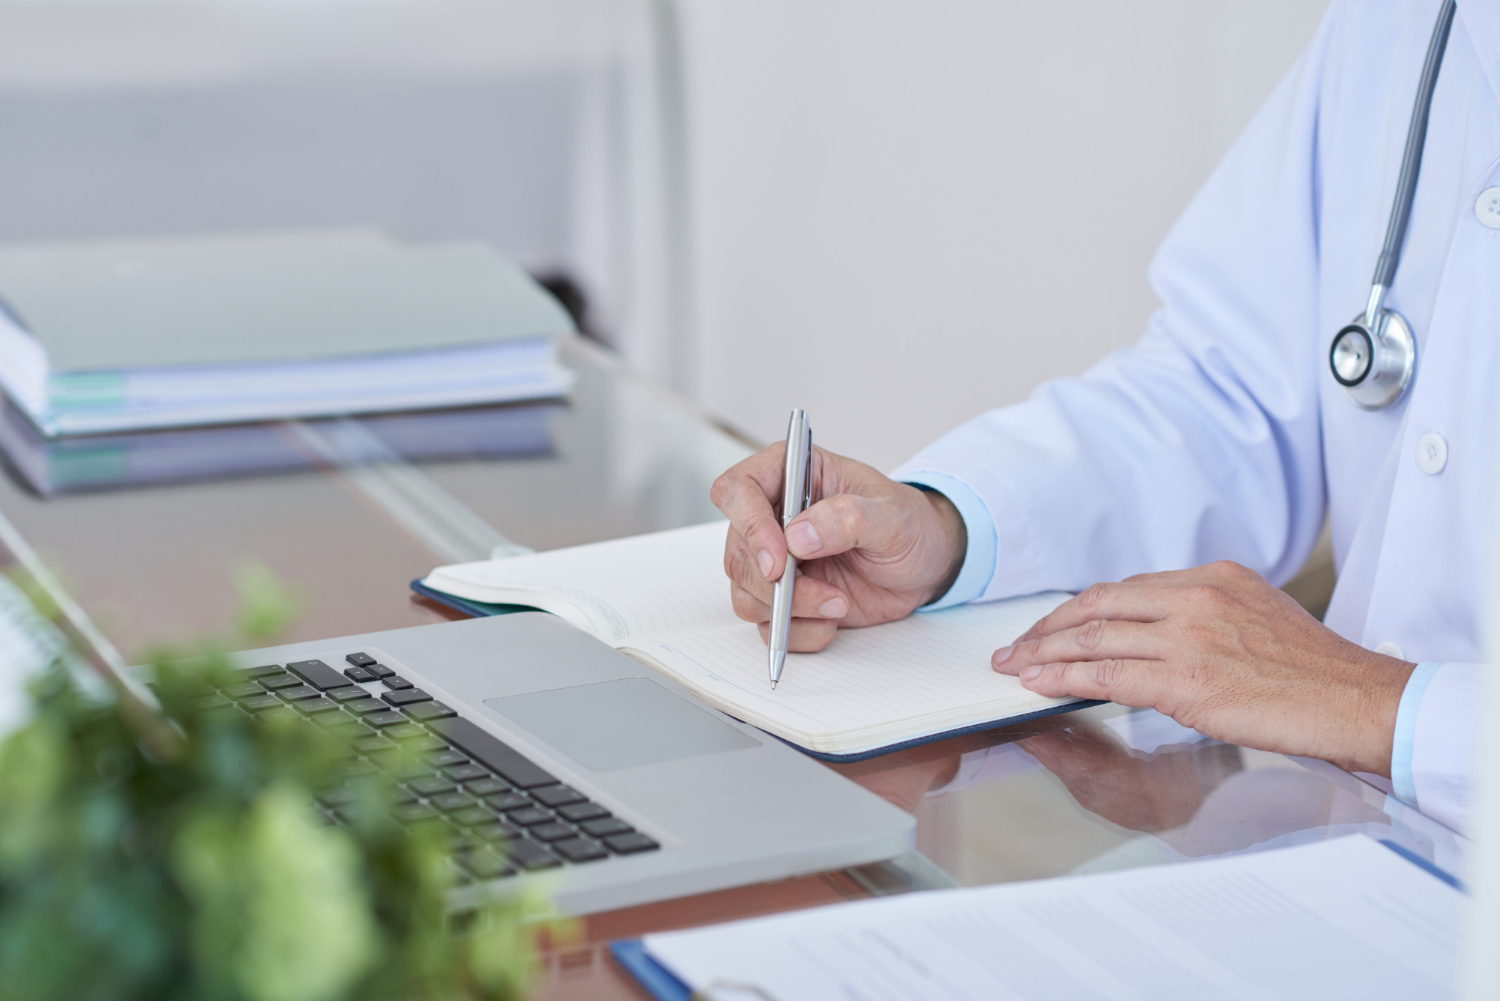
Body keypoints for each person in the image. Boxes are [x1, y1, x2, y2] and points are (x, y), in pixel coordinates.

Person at [711, 0, 1496, 835]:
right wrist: (949, 528)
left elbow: (1376, 702)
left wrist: (1384, 708)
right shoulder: (1412, 22)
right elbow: (1230, 390)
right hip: (1360, 853)